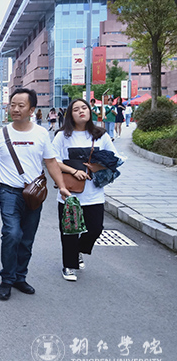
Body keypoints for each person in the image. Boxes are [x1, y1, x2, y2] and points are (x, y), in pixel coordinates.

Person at [0, 88, 70, 301]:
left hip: (34, 193)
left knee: (27, 238)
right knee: (12, 234)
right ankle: (7, 279)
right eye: (12, 105)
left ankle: (20, 277)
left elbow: (51, 162)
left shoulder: (41, 134)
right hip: (9, 192)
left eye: (21, 106)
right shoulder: (0, 135)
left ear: (32, 110)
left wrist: (62, 186)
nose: (15, 109)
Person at [52, 99, 118, 281]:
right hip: (69, 192)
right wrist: (74, 171)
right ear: (70, 114)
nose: (81, 111)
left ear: (89, 111)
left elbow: (115, 158)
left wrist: (99, 166)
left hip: (94, 193)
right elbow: (53, 160)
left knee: (95, 228)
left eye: (84, 108)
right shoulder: (62, 136)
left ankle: (78, 250)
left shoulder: (101, 135)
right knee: (69, 230)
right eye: (76, 109)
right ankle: (69, 265)